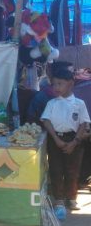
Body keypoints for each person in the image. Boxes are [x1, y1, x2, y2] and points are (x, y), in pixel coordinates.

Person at [41, 68, 90, 211]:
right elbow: (46, 121)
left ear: (70, 84)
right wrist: (56, 139)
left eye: (59, 84)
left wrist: (75, 142)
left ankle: (72, 198)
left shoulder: (79, 104)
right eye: (54, 84)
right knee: (56, 169)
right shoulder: (51, 103)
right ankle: (59, 199)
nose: (55, 87)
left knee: (73, 171)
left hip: (74, 140)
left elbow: (83, 123)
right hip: (56, 139)